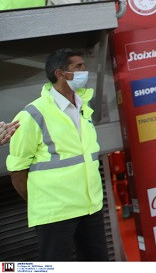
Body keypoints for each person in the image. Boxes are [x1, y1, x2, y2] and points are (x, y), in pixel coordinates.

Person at [6, 49, 108, 260]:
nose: (84, 70)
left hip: (91, 207)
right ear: (60, 73)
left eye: (84, 65)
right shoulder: (33, 114)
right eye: (78, 66)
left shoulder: (83, 106)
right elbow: (17, 170)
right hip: (55, 214)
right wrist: (40, 201)